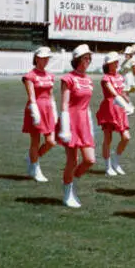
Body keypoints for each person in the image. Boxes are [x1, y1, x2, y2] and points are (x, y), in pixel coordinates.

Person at [57, 44, 97, 208]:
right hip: (70, 121)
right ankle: (68, 193)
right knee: (72, 160)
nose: (87, 61)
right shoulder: (68, 79)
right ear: (77, 59)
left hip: (84, 121)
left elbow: (86, 105)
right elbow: (65, 104)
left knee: (90, 160)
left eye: (89, 58)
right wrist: (65, 127)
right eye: (84, 58)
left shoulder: (88, 79)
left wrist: (90, 125)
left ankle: (71, 182)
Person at [21, 46, 58, 183]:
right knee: (35, 141)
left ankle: (32, 158)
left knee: (51, 141)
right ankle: (36, 169)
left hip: (48, 109)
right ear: (36, 59)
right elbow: (31, 96)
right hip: (36, 108)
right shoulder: (30, 76)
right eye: (43, 58)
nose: (45, 61)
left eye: (47, 58)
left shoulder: (50, 76)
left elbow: (51, 94)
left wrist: (54, 110)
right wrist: (34, 111)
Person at [97, 51, 134, 177]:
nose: (117, 63)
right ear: (108, 64)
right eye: (114, 61)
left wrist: (129, 101)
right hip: (109, 108)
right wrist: (125, 103)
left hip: (120, 109)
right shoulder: (106, 78)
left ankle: (116, 161)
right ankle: (108, 166)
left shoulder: (120, 76)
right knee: (108, 139)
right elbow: (113, 93)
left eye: (117, 61)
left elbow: (122, 92)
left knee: (126, 137)